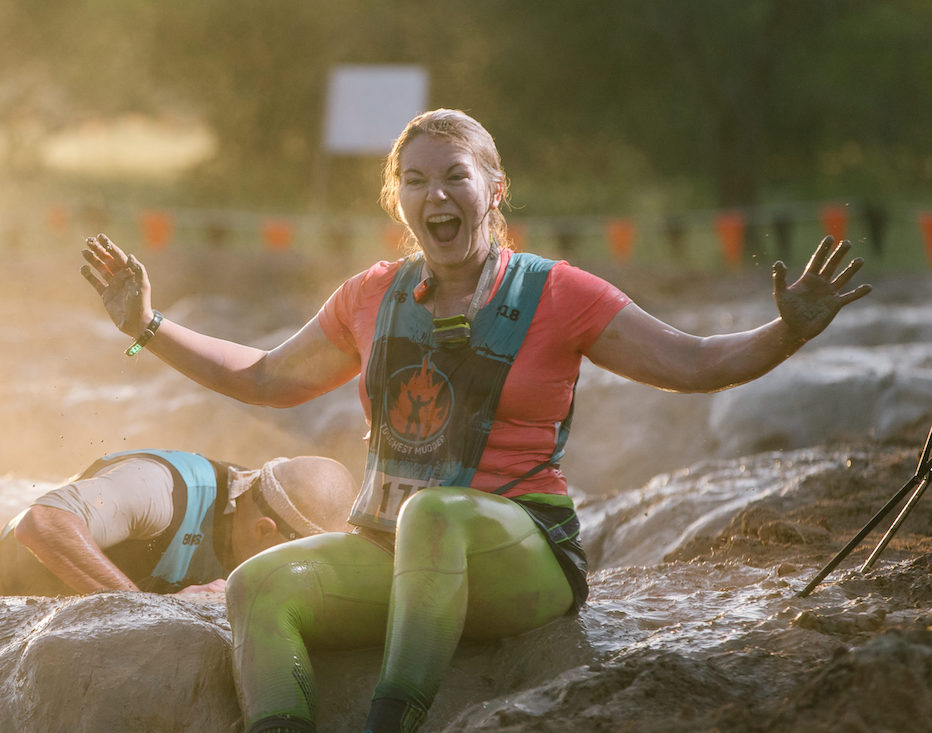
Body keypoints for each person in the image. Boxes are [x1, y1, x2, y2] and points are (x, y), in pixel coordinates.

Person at [79, 109, 871, 733]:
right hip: (391, 551)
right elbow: (265, 376)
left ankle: (391, 722)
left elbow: (694, 362)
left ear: (494, 188)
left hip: (523, 554)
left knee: (435, 512)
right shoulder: (369, 296)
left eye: (455, 176)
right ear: (399, 203)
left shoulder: (563, 293)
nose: (437, 196)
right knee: (258, 584)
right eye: (416, 182)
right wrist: (148, 325)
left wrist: (789, 330)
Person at [0, 450, 357, 599]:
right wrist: (144, 611)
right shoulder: (159, 490)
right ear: (265, 530)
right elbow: (43, 523)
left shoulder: (256, 514)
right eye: (296, 555)